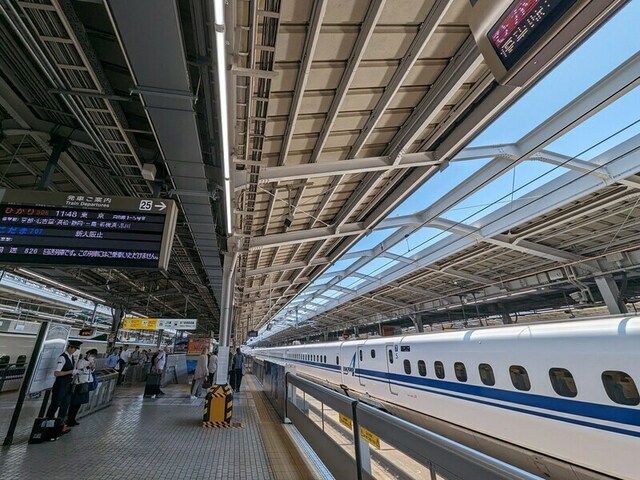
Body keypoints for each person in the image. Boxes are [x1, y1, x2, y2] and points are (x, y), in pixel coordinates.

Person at [46, 340, 82, 429]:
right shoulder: (62, 358)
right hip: (60, 386)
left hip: (68, 386)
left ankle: (60, 427)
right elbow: (57, 373)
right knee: (55, 405)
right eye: (74, 349)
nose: (75, 351)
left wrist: (74, 373)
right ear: (70, 347)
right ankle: (48, 426)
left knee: (65, 406)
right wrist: (70, 372)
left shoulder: (71, 357)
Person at [67, 348, 97, 426]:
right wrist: (88, 366)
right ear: (88, 354)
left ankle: (73, 419)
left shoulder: (91, 362)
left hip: (86, 383)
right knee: (75, 403)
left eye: (94, 356)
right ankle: (69, 419)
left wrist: (92, 367)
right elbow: (79, 371)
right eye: (92, 355)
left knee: (79, 403)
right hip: (79, 384)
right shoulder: (81, 361)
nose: (92, 357)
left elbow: (91, 372)